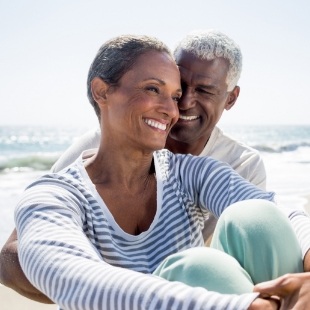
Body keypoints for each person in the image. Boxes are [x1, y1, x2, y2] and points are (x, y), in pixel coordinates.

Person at [9, 34, 310, 309]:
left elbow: (278, 214)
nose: (172, 110)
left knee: (255, 217)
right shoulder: (54, 194)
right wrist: (236, 306)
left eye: (174, 96)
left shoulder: (194, 173)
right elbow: (67, 275)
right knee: (199, 268)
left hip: (212, 291)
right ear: (102, 92)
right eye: (153, 89)